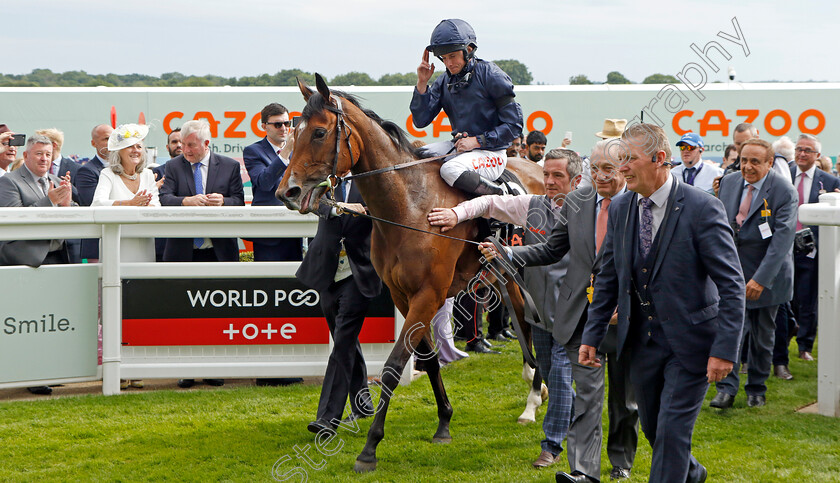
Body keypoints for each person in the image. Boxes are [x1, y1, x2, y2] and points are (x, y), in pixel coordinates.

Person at [578, 123, 745, 483]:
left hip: (692, 344)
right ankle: (692, 473)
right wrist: (591, 336)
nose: (621, 168)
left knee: (670, 433)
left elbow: (732, 285)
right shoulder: (622, 207)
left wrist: (725, 350)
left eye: (629, 159)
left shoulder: (702, 208)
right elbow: (608, 276)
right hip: (641, 344)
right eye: (619, 159)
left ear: (660, 159)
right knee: (656, 431)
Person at [430, 148, 581, 470]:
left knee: (558, 378)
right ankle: (573, 419)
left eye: (558, 176)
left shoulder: (590, 212)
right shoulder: (534, 206)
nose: (550, 182)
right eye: (547, 175)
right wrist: (456, 215)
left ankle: (551, 446)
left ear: (576, 180)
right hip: (538, 312)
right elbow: (488, 203)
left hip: (574, 312)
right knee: (554, 375)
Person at [710, 139, 797, 409]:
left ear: (770, 164)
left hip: (767, 275)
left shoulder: (784, 191)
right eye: (744, 160)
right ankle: (726, 388)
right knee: (729, 331)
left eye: (755, 162)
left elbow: (781, 242)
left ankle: (756, 388)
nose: (747, 166)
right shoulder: (728, 182)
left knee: (762, 336)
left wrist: (760, 279)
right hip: (732, 273)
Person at [159, 119, 244, 389]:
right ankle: (186, 369)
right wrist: (186, 201)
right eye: (183, 144)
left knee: (217, 312)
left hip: (218, 251)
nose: (185, 149)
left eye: (191, 145)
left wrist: (224, 201)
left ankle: (215, 367)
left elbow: (239, 201)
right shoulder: (172, 166)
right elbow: (163, 199)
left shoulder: (229, 166)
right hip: (183, 251)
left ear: (207, 144)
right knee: (183, 312)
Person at [300, 179, 380, 434]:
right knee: (345, 339)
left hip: (360, 273)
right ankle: (364, 404)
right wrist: (339, 207)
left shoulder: (370, 178)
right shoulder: (322, 177)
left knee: (343, 341)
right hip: (327, 272)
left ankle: (327, 417)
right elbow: (306, 201)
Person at [0, 133, 77, 396]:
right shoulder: (9, 181)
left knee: (53, 319)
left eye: (48, 154)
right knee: (29, 320)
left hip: (57, 257)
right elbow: (15, 219)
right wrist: (51, 200)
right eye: (39, 154)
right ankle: (31, 374)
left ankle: (48, 370)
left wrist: (68, 204)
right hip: (27, 261)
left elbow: (74, 212)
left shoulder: (56, 181)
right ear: (26, 156)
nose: (44, 159)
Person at [411, 18, 523, 196]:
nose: (448, 63)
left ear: (469, 50)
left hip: (492, 154)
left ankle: (502, 197)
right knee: (413, 157)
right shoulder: (443, 80)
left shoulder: (492, 75)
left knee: (449, 170)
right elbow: (420, 120)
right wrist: (422, 84)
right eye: (444, 58)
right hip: (460, 148)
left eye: (453, 56)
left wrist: (477, 141)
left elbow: (514, 126)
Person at [92, 123, 159, 390]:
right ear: (117, 152)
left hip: (143, 247)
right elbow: (97, 204)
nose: (136, 150)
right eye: (130, 146)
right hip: (117, 248)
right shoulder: (107, 174)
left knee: (140, 307)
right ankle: (116, 368)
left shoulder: (148, 176)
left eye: (139, 146)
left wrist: (137, 208)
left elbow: (156, 206)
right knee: (114, 307)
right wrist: (128, 205)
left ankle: (137, 367)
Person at [790, 133, 840, 361]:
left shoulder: (829, 182)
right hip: (784, 247)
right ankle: (785, 336)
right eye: (799, 149)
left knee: (808, 298)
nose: (801, 153)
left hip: (812, 248)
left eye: (807, 150)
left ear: (817, 155)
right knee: (785, 298)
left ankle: (804, 346)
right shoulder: (784, 175)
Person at [242, 102, 303, 262]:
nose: (283, 128)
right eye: (277, 124)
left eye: (286, 123)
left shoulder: (299, 151)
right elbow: (264, 183)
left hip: (294, 229)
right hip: (268, 231)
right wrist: (285, 152)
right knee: (267, 281)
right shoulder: (253, 151)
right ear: (264, 126)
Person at [36, 128, 82, 262]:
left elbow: (82, 201)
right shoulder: (35, 168)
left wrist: (67, 189)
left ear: (54, 145)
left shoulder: (76, 169)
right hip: (43, 239)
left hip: (70, 241)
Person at [76, 124, 115, 260]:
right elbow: (94, 202)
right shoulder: (86, 171)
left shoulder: (126, 169)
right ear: (94, 143)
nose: (110, 143)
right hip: (97, 241)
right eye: (106, 139)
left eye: (113, 138)